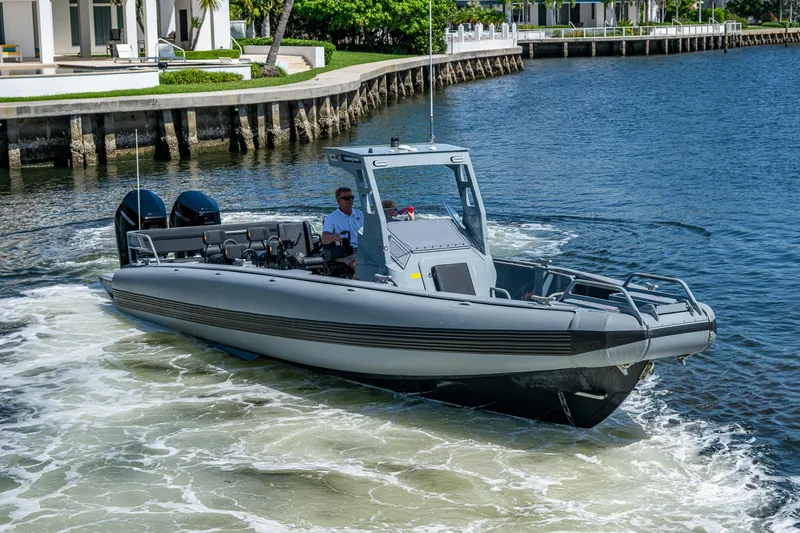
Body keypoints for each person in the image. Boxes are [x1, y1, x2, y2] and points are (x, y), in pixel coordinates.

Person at [322, 187, 364, 272]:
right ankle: (354, 284)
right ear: (338, 201)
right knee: (360, 268)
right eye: (346, 198)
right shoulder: (331, 218)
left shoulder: (360, 214)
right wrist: (334, 237)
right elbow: (324, 239)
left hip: (363, 249)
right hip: (346, 252)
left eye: (351, 197)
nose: (350, 200)